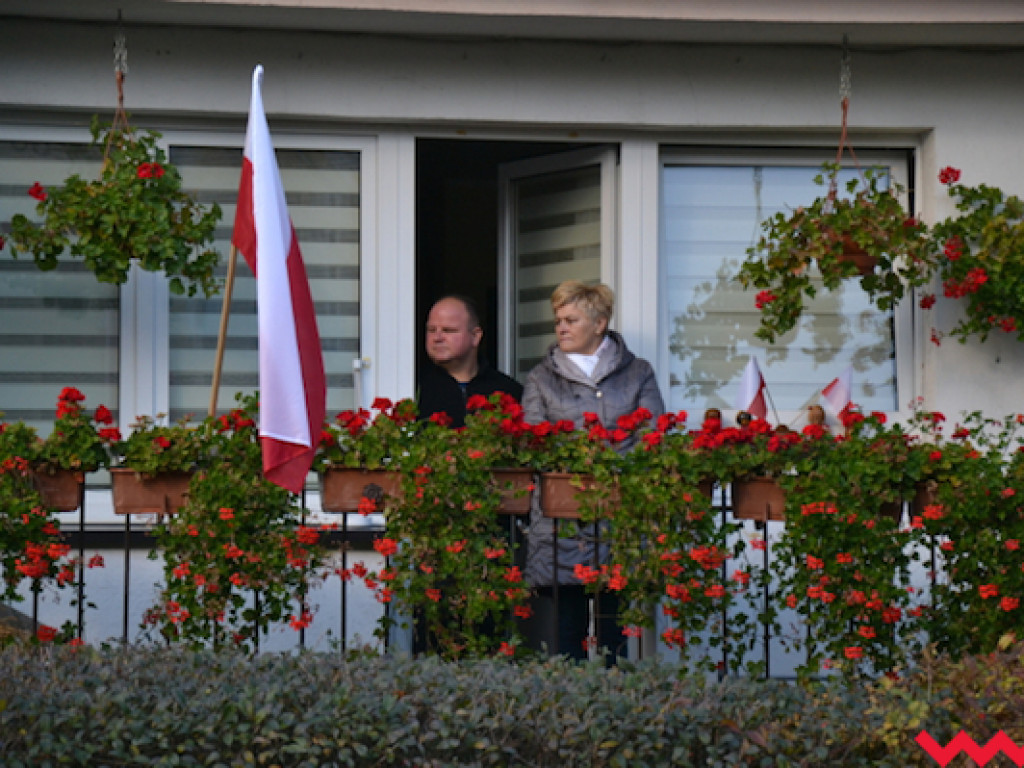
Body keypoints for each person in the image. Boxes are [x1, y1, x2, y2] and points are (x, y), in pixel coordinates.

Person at [520, 280, 665, 660]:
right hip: (561, 523)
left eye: (571, 319)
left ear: (599, 323)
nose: (561, 328)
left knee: (615, 632)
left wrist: (609, 467)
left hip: (620, 520)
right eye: (558, 321)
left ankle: (617, 709)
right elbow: (533, 445)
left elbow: (652, 435)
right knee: (564, 634)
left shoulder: (638, 373)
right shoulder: (540, 378)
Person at [417, 295, 523, 427]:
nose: (437, 338)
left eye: (448, 330)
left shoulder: (508, 391)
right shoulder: (415, 389)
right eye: (431, 330)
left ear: (475, 336)